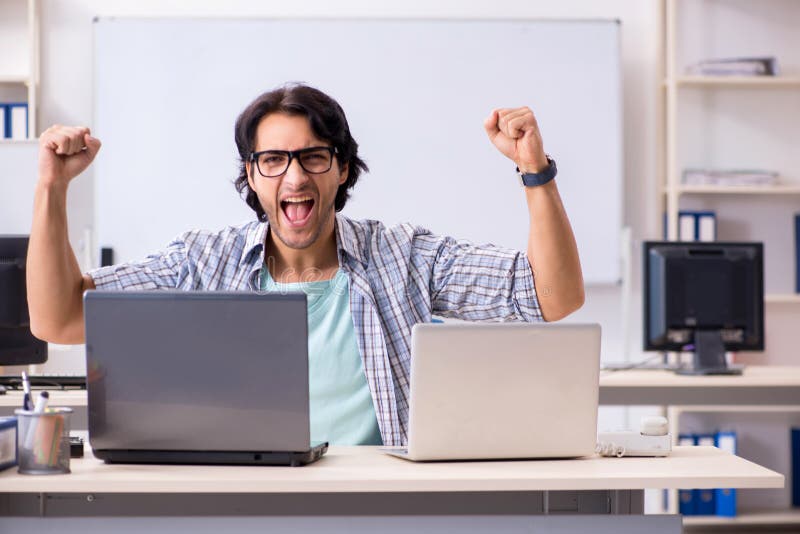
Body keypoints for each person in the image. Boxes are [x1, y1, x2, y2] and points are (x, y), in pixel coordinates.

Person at [27, 84, 584, 447]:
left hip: (379, 502)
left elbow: (551, 296)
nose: (294, 178)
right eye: (273, 160)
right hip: (244, 501)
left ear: (341, 169)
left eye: (313, 156)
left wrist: (535, 170)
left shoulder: (404, 255)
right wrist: (53, 187)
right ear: (251, 175)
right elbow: (60, 319)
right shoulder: (203, 261)